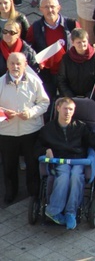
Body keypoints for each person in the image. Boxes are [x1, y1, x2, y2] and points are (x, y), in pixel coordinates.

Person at [36, 97, 95, 230]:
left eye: (71, 109)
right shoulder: (48, 129)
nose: (68, 112)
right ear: (58, 108)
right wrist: (46, 150)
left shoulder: (81, 127)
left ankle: (71, 212)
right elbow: (36, 148)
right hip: (60, 161)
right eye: (65, 108)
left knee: (76, 176)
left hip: (78, 160)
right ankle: (53, 210)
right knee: (64, 176)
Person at [0, 52, 49, 204]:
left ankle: (34, 193)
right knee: (9, 165)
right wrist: (4, 112)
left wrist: (31, 113)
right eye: (12, 63)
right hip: (7, 132)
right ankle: (11, 192)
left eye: (18, 63)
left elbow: (44, 103)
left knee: (32, 164)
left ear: (25, 65)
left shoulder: (34, 81)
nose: (15, 66)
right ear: (7, 65)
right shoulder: (0, 82)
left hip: (31, 130)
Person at [57, 28, 95, 99]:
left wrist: (92, 95)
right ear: (73, 42)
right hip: (70, 99)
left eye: (84, 41)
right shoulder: (66, 58)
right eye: (78, 42)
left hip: (92, 98)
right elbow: (61, 80)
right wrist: (70, 96)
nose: (82, 44)